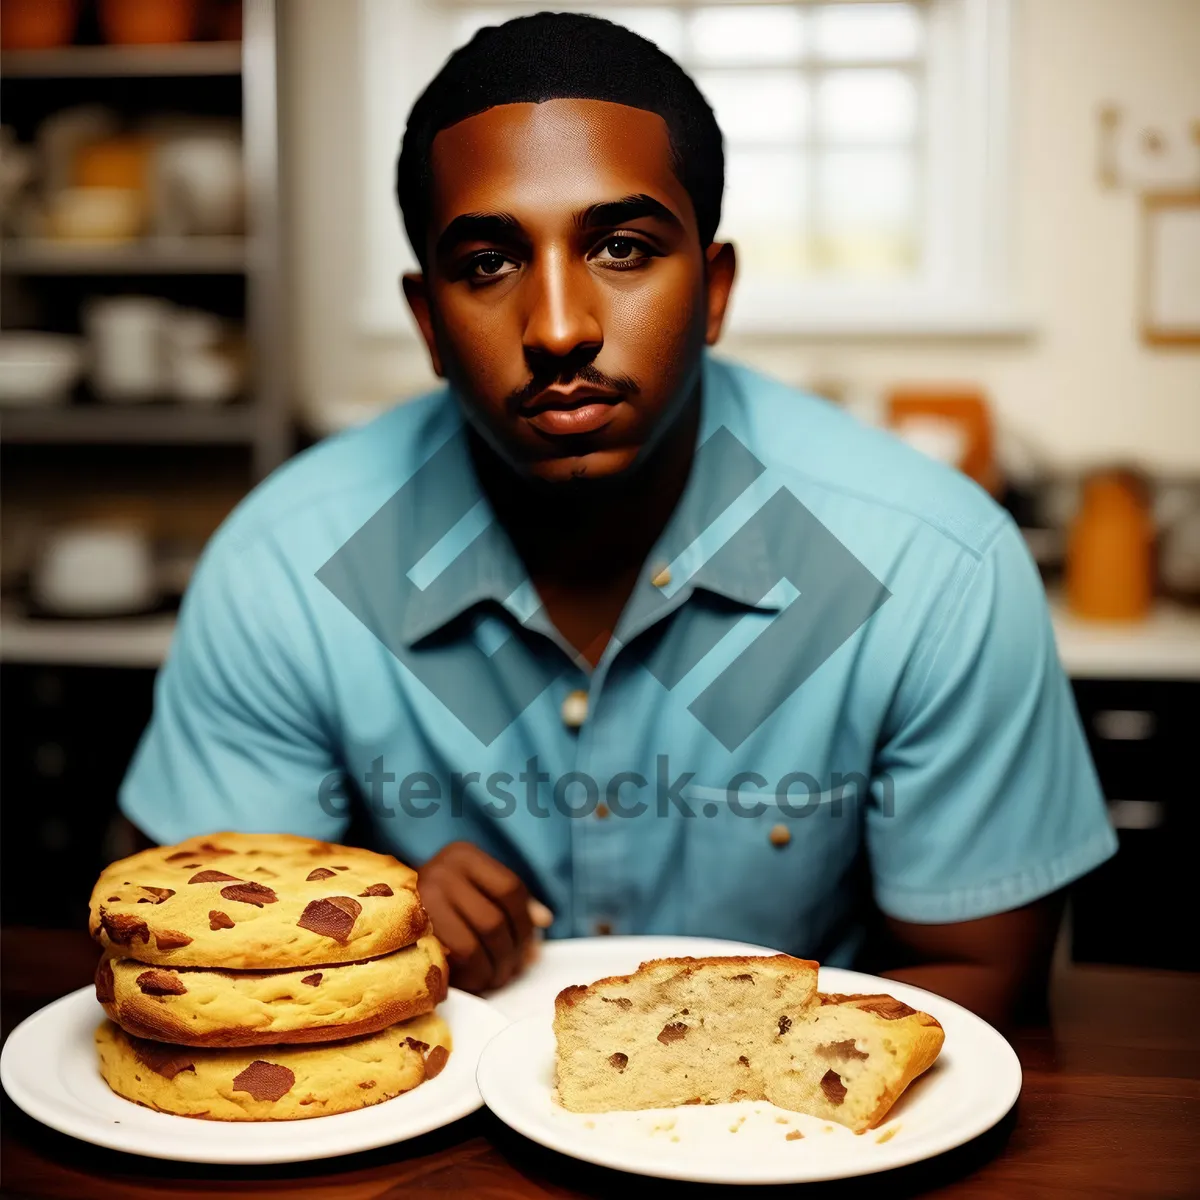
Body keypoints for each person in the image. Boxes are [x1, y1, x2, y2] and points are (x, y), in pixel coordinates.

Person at [116, 13, 1116, 1027]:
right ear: (427, 321)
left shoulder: (928, 566)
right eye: (488, 264)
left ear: (716, 289)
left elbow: (981, 980)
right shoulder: (286, 566)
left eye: (624, 247)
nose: (559, 328)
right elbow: (179, 949)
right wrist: (375, 910)